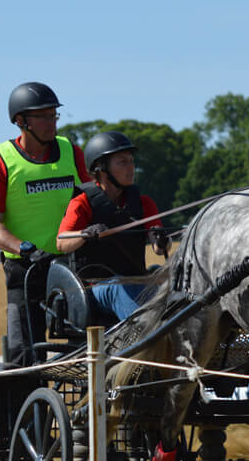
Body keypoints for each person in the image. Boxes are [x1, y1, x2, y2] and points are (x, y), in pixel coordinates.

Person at [0, 82, 91, 366]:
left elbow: (94, 200)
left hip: (71, 263)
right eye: (43, 116)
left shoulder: (72, 152)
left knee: (86, 342)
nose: (51, 122)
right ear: (21, 121)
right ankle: (27, 405)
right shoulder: (0, 163)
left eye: (53, 115)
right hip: (26, 268)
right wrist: (25, 248)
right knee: (25, 351)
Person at [56, 131, 170, 321]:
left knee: (168, 278)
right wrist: (86, 234)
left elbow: (159, 248)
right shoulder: (82, 203)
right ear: (102, 169)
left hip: (135, 281)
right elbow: (61, 242)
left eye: (132, 161)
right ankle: (143, 332)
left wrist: (161, 239)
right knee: (117, 286)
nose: (131, 167)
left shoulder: (143, 203)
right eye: (122, 162)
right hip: (94, 289)